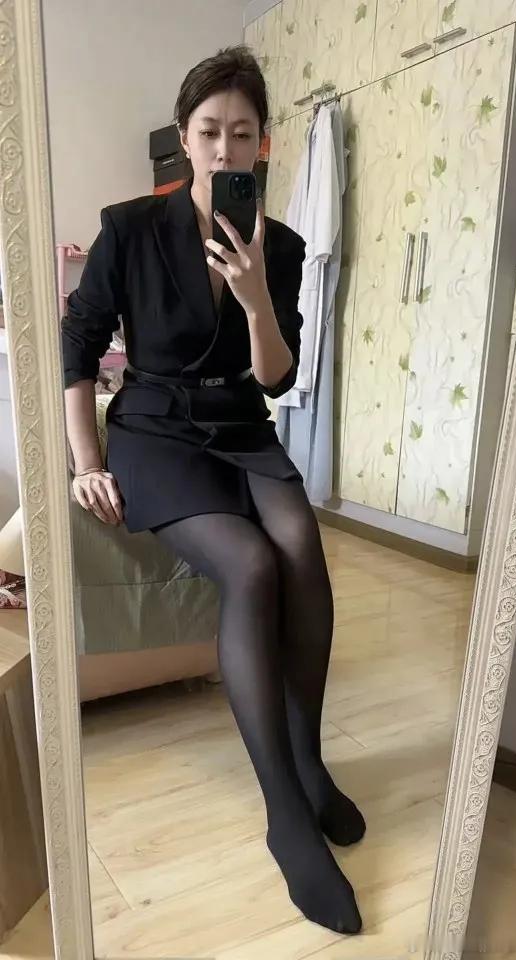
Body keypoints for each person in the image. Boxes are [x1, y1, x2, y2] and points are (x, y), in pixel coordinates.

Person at [62, 45, 365, 935]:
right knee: (251, 565)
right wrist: (86, 461)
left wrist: (256, 297)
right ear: (184, 139)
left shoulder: (285, 245)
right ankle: (284, 812)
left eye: (242, 133)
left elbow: (277, 378)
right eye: (209, 132)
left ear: (263, 144)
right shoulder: (129, 228)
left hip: (241, 423)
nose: (225, 149)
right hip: (155, 427)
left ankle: (309, 763)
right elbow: (80, 349)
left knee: (302, 545)